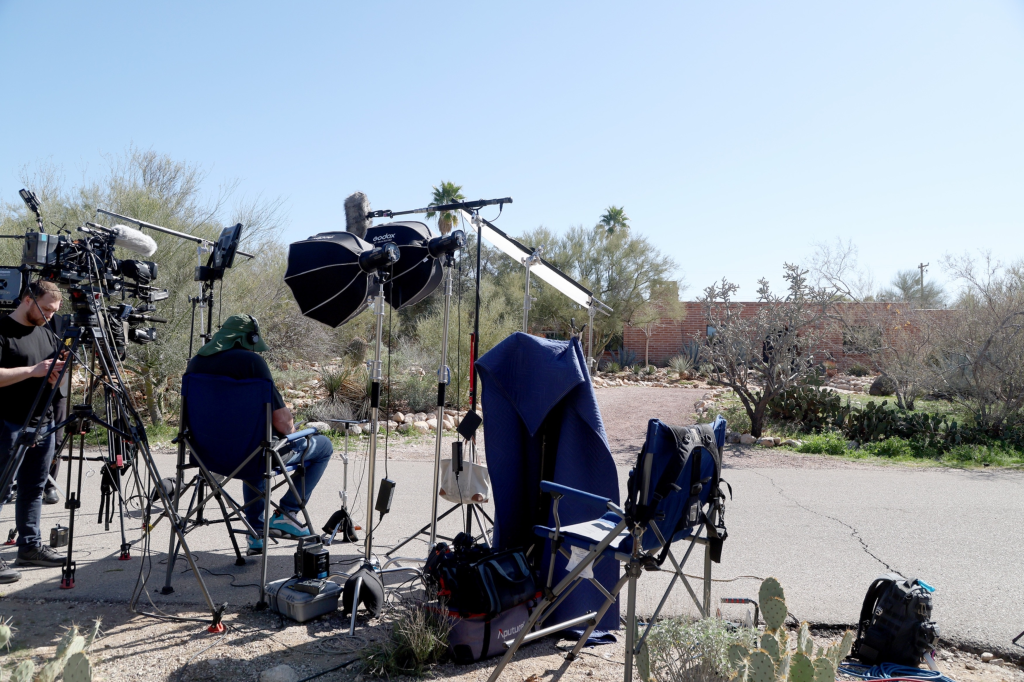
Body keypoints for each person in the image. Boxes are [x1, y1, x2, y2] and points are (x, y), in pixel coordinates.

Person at [183, 314, 333, 553]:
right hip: (253, 453)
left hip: (207, 454)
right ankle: (288, 512)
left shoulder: (196, 363)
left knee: (252, 443)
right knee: (322, 445)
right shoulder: (252, 363)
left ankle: (255, 531)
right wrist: (293, 431)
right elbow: (283, 423)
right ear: (249, 339)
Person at [0, 280, 68, 584]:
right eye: (47, 309)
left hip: (43, 422)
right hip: (7, 422)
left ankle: (29, 546)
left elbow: (52, 378)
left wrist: (57, 376)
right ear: (28, 299)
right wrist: (32, 371)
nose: (50, 316)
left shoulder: (48, 334)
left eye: (55, 311)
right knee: (1, 489)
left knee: (34, 488)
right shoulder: (2, 331)